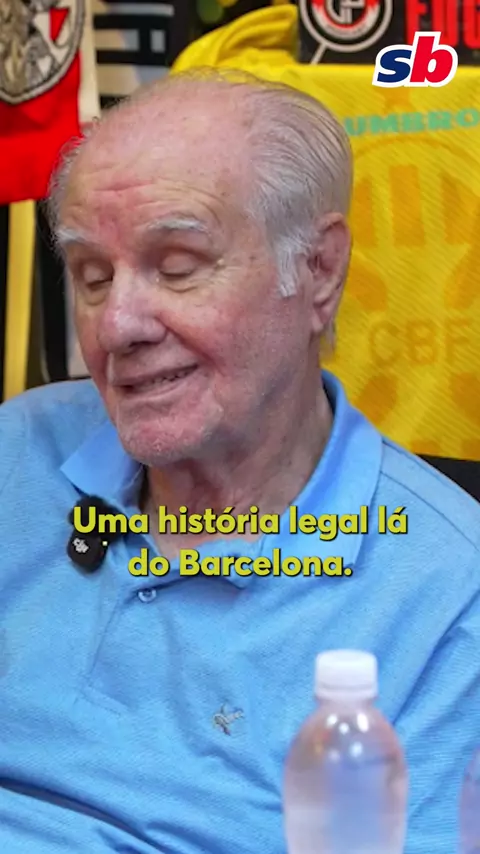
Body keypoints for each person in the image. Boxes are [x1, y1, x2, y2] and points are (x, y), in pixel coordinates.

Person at [0, 69, 479, 854]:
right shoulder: (18, 450)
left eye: (177, 267)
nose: (116, 326)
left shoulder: (449, 604)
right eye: (92, 277)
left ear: (318, 271)